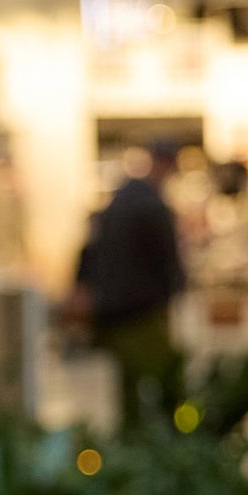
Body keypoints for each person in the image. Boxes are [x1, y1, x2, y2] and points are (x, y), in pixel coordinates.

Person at [73, 139, 188, 425]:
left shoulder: (118, 202)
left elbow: (88, 251)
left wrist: (87, 290)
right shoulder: (153, 207)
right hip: (143, 312)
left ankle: (133, 447)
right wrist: (177, 289)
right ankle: (177, 443)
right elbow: (168, 261)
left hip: (114, 311)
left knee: (129, 390)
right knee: (169, 381)